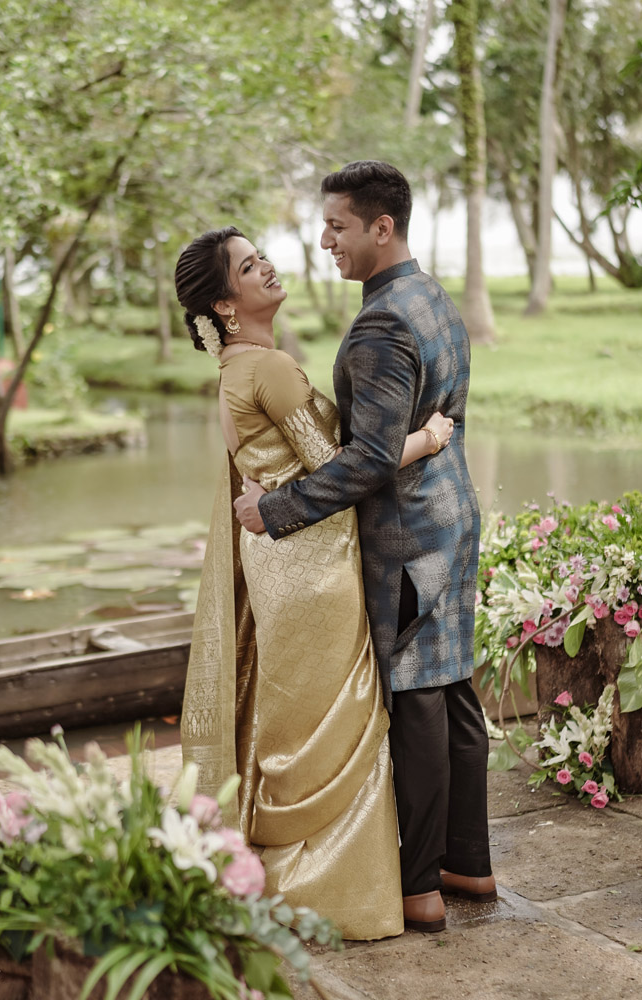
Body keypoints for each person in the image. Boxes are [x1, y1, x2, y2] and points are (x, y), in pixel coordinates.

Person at [234, 161, 496, 933]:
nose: (325, 241)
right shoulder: (431, 297)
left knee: (416, 701)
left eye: (337, 226)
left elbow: (370, 460)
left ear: (382, 227)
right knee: (453, 691)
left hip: (408, 536)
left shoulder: (381, 324)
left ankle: (418, 887)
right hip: (452, 516)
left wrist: (274, 509)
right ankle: (469, 863)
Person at [175, 225, 453, 940]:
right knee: (336, 729)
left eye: (260, 256)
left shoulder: (235, 369)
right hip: (312, 571)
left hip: (278, 566)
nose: (267, 267)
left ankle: (287, 880)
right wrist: (427, 439)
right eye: (248, 266)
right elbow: (341, 469)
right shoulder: (269, 368)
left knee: (294, 723)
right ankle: (331, 897)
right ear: (224, 304)